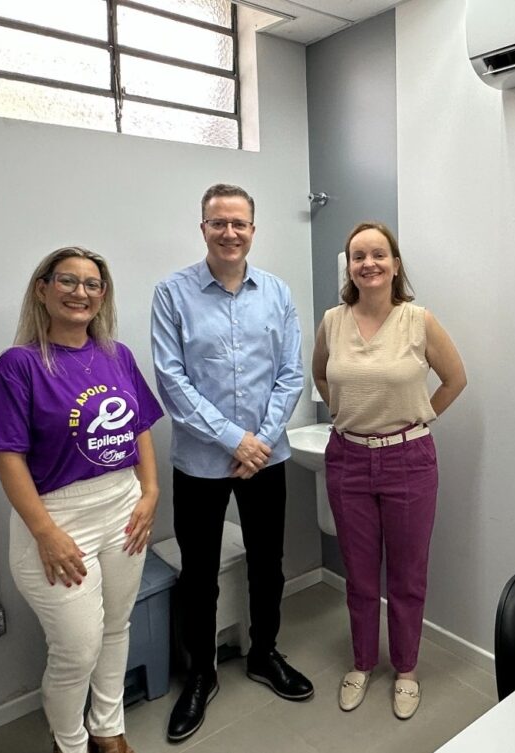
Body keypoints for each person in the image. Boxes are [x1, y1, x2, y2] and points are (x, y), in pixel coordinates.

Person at [0, 246, 163, 753]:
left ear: (103, 296)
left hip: (124, 507)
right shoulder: (19, 366)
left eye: (92, 284)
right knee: (77, 649)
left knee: (116, 627)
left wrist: (151, 491)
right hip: (58, 518)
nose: (81, 292)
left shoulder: (116, 355)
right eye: (68, 281)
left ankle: (109, 730)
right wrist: (45, 533)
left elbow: (139, 424)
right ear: (43, 289)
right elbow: (6, 457)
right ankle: (70, 742)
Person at [151, 184, 312, 744]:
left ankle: (264, 653)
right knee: (199, 574)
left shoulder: (277, 293)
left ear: (252, 229)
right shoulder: (171, 294)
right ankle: (202, 673)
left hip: (266, 458)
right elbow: (172, 382)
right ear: (203, 229)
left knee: (269, 562)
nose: (229, 232)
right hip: (199, 462)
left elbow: (292, 372)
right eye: (217, 223)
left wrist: (260, 442)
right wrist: (234, 441)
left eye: (238, 223)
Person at [311, 221, 466, 720]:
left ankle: (405, 670)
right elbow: (319, 372)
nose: (368, 264)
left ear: (395, 264)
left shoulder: (417, 320)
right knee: (358, 574)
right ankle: (361, 663)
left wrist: (420, 417)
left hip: (409, 460)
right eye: (358, 256)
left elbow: (456, 378)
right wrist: (344, 412)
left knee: (406, 575)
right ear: (349, 267)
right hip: (348, 458)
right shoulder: (333, 320)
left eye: (379, 254)